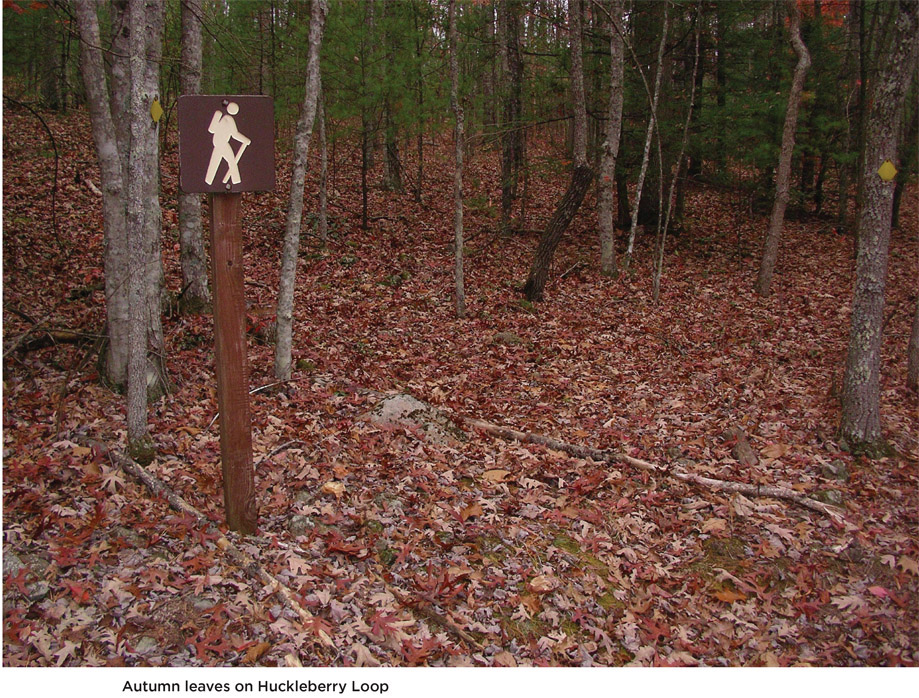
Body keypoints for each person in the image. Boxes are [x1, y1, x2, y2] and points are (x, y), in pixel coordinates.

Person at [204, 102, 251, 186]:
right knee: (231, 162)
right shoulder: (229, 119)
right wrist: (245, 140)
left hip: (218, 143)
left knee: (215, 163)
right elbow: (234, 134)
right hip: (222, 144)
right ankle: (236, 181)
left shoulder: (223, 118)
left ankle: (209, 181)